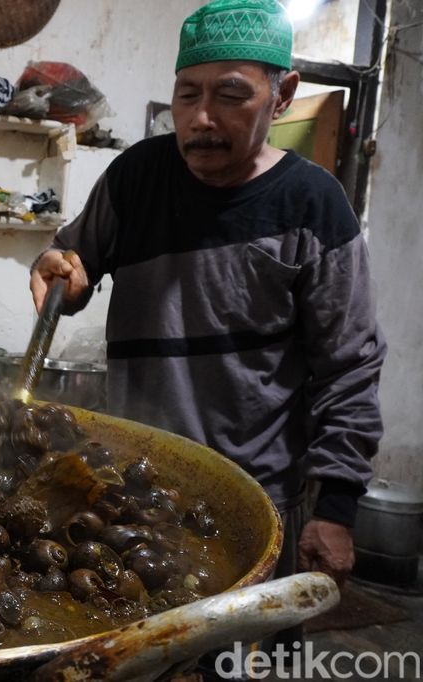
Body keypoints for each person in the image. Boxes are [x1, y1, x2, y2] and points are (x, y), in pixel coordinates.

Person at [30, 0, 385, 594]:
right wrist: (56, 273)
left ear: (283, 93)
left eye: (230, 95)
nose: (200, 119)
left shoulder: (313, 204)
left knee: (241, 658)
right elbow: (69, 269)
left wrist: (337, 507)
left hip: (255, 500)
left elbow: (350, 366)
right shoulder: (135, 176)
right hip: (132, 487)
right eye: (187, 94)